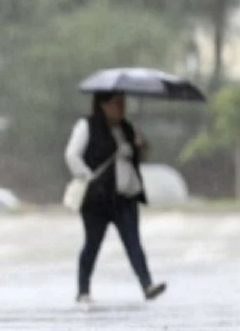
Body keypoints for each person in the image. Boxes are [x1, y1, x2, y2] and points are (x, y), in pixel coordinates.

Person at [64, 91, 167, 308]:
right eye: (116, 104)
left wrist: (141, 146)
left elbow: (139, 159)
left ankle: (147, 285)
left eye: (123, 103)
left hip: (125, 197)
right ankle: (83, 289)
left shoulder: (127, 129)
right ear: (103, 105)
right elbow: (72, 154)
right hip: (98, 200)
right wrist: (87, 176)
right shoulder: (88, 126)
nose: (121, 108)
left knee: (133, 242)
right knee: (92, 243)